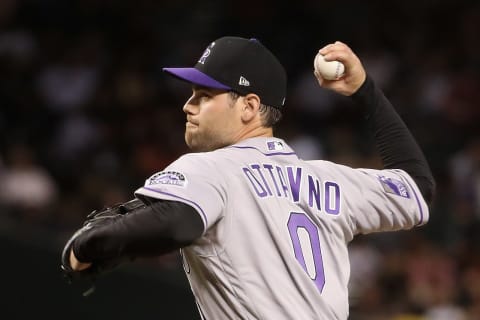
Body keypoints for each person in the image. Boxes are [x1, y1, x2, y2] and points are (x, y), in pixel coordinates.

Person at [61, 36, 435, 319]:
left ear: (249, 107)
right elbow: (418, 186)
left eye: (204, 95)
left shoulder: (210, 168)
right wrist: (365, 91)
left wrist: (85, 247)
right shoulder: (329, 179)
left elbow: (176, 223)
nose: (187, 105)